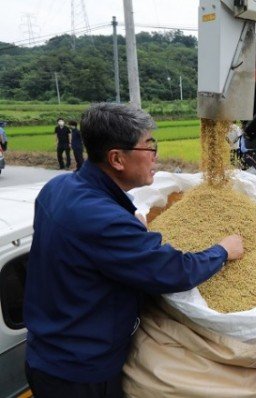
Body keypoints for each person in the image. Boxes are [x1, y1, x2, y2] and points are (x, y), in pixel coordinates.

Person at [24, 103, 244, 398]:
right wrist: (222, 251)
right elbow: (172, 270)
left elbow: (90, 243)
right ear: (116, 158)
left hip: (46, 352)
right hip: (80, 374)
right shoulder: (104, 221)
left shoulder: (59, 187)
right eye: (148, 146)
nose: (155, 156)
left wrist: (128, 221)